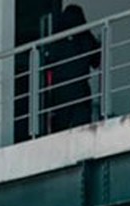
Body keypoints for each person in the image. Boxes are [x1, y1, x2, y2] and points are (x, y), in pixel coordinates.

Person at [44, 5, 101, 133]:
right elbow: (96, 62)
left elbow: (47, 65)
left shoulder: (56, 38)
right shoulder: (86, 38)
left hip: (60, 91)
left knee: (59, 131)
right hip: (80, 89)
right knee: (82, 130)